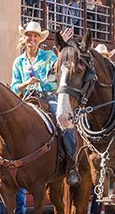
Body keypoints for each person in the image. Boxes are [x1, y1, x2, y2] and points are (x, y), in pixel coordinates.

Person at [11, 20, 79, 185]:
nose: (32, 39)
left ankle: (71, 165)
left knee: (64, 122)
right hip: (27, 100)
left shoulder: (48, 56)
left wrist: (60, 46)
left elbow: (59, 71)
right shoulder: (19, 61)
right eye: (29, 35)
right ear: (24, 38)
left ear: (39, 39)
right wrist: (26, 84)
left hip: (48, 97)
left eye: (35, 36)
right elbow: (14, 87)